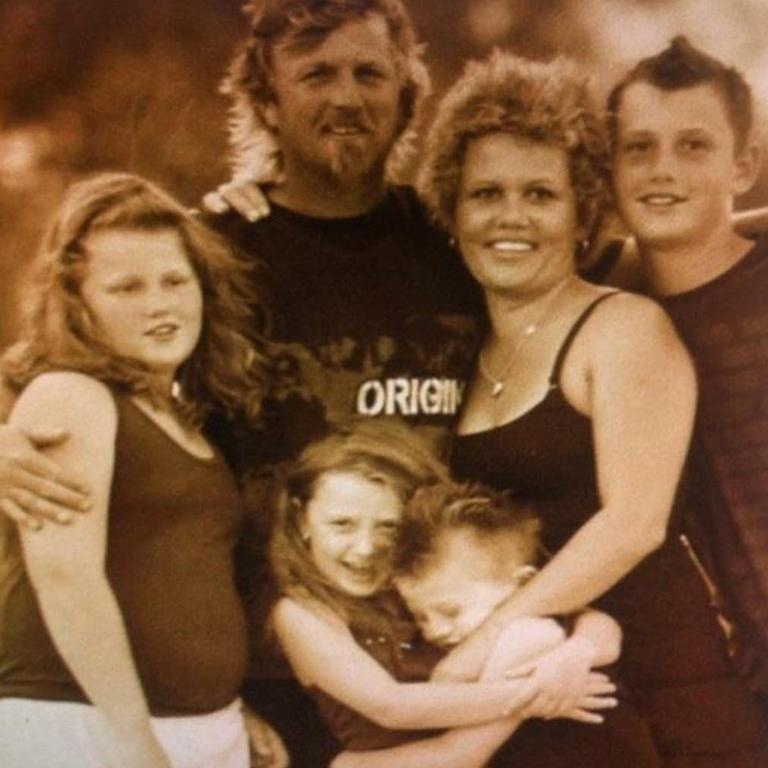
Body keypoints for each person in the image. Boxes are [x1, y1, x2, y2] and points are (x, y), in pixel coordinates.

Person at [0, 3, 480, 764]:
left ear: (407, 95)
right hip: (262, 675)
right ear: (266, 100)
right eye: (316, 74)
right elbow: (59, 356)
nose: (347, 96)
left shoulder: (460, 244)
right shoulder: (212, 250)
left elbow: (607, 270)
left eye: (369, 73)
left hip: (429, 651)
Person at [415, 49, 768, 765]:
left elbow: (634, 523)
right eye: (486, 194)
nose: (510, 216)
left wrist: (483, 642)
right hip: (565, 694)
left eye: (541, 195)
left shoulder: (624, 327)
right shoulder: (469, 348)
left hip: (672, 691)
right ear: (452, 210)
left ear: (583, 212)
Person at [0, 172, 287, 768]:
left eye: (175, 281)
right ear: (80, 306)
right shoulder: (72, 397)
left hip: (191, 728)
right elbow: (67, 581)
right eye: (126, 287)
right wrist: (133, 743)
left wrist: (223, 705)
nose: (159, 304)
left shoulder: (184, 416)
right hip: (86, 728)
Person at [270, 420, 637, 768]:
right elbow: (392, 707)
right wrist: (542, 692)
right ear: (303, 521)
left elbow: (592, 619)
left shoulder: (426, 582)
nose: (365, 548)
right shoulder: (303, 612)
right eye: (341, 524)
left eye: (388, 526)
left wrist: (576, 653)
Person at [608, 35, 768, 697]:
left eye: (693, 145)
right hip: (737, 679)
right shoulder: (608, 307)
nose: (660, 168)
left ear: (744, 165)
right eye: (638, 147)